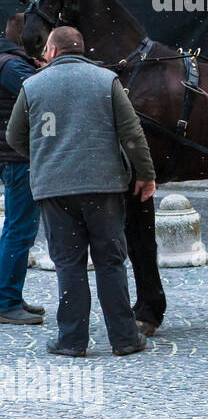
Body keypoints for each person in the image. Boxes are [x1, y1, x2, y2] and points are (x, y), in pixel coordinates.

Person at [5, 26, 156, 358]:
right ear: (80, 49)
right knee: (111, 261)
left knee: (69, 264)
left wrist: (45, 156)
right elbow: (132, 133)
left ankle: (72, 340)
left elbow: (15, 136)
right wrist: (145, 174)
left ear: (53, 51)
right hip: (104, 186)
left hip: (54, 188)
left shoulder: (32, 85)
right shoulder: (106, 81)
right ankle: (124, 337)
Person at [0, 13, 45, 325]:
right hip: (18, 159)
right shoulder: (13, 66)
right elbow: (43, 97)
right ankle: (6, 302)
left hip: (15, 158)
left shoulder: (9, 62)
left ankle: (10, 295)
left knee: (18, 229)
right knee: (19, 230)